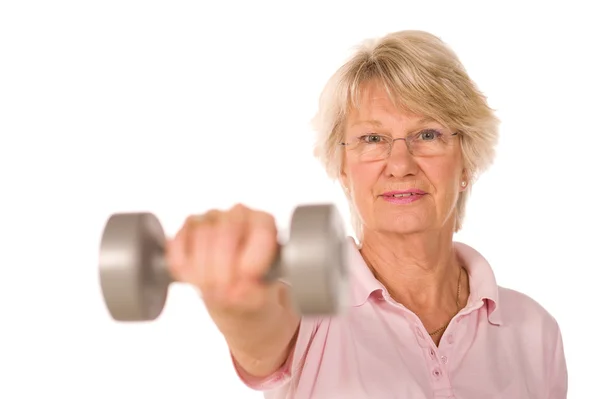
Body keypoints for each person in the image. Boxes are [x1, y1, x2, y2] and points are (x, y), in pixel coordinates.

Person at [166, 30, 568, 398]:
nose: (399, 163)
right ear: (343, 167)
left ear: (466, 162)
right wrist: (236, 298)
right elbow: (260, 329)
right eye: (372, 139)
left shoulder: (535, 332)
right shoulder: (308, 303)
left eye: (427, 134)